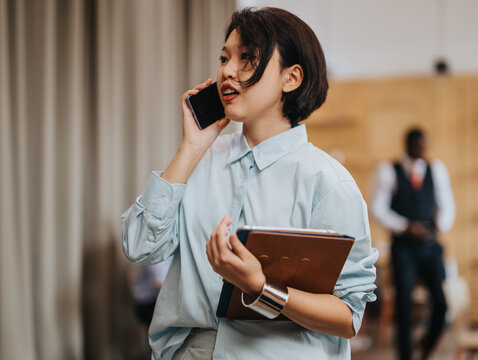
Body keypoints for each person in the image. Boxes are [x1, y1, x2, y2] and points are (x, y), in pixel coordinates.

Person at [122, 7, 377, 360]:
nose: (227, 70)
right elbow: (138, 245)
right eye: (225, 58)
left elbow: (349, 316)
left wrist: (261, 288)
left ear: (291, 78)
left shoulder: (328, 183)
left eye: (247, 58)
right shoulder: (199, 159)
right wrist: (192, 146)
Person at [371, 128, 456, 360]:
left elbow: (447, 205)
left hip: (430, 247)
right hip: (404, 249)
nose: (422, 150)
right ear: (407, 145)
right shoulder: (389, 170)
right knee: (404, 307)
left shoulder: (436, 169)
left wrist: (441, 223)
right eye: (417, 145)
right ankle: (405, 356)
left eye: (424, 145)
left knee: (441, 304)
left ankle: (427, 347)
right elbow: (377, 208)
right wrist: (405, 226)